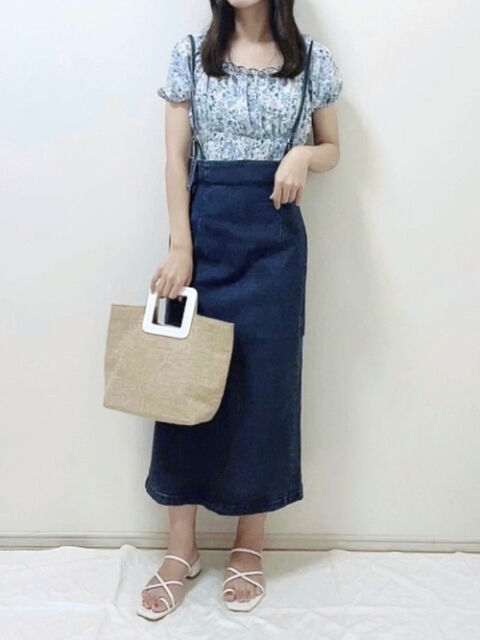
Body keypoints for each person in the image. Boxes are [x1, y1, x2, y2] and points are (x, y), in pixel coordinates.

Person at [137, 0, 343, 620]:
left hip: (275, 246)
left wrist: (303, 155)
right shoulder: (190, 54)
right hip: (203, 239)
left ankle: (249, 543)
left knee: (263, 389)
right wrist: (180, 246)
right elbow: (175, 158)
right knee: (180, 389)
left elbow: (333, 148)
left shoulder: (311, 61)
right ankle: (181, 549)